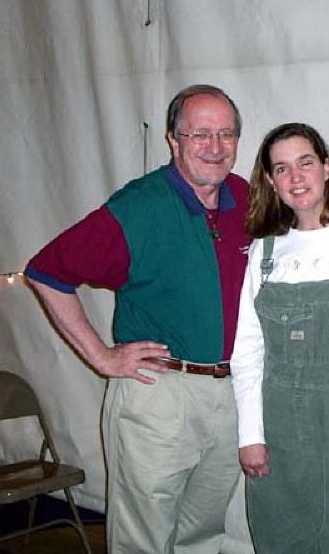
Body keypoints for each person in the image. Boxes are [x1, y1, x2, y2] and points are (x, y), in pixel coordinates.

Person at [24, 84, 250, 554]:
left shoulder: (245, 198)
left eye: (226, 134)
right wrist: (102, 357)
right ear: (173, 140)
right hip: (158, 396)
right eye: (200, 134)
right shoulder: (140, 207)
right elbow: (46, 272)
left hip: (231, 395)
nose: (215, 147)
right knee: (143, 541)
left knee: (203, 535)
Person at [230, 123, 329, 553]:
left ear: (326, 168)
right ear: (271, 181)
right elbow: (248, 349)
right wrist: (250, 435)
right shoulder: (265, 249)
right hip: (279, 422)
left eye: (305, 163)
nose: (296, 177)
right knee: (283, 534)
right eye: (282, 168)